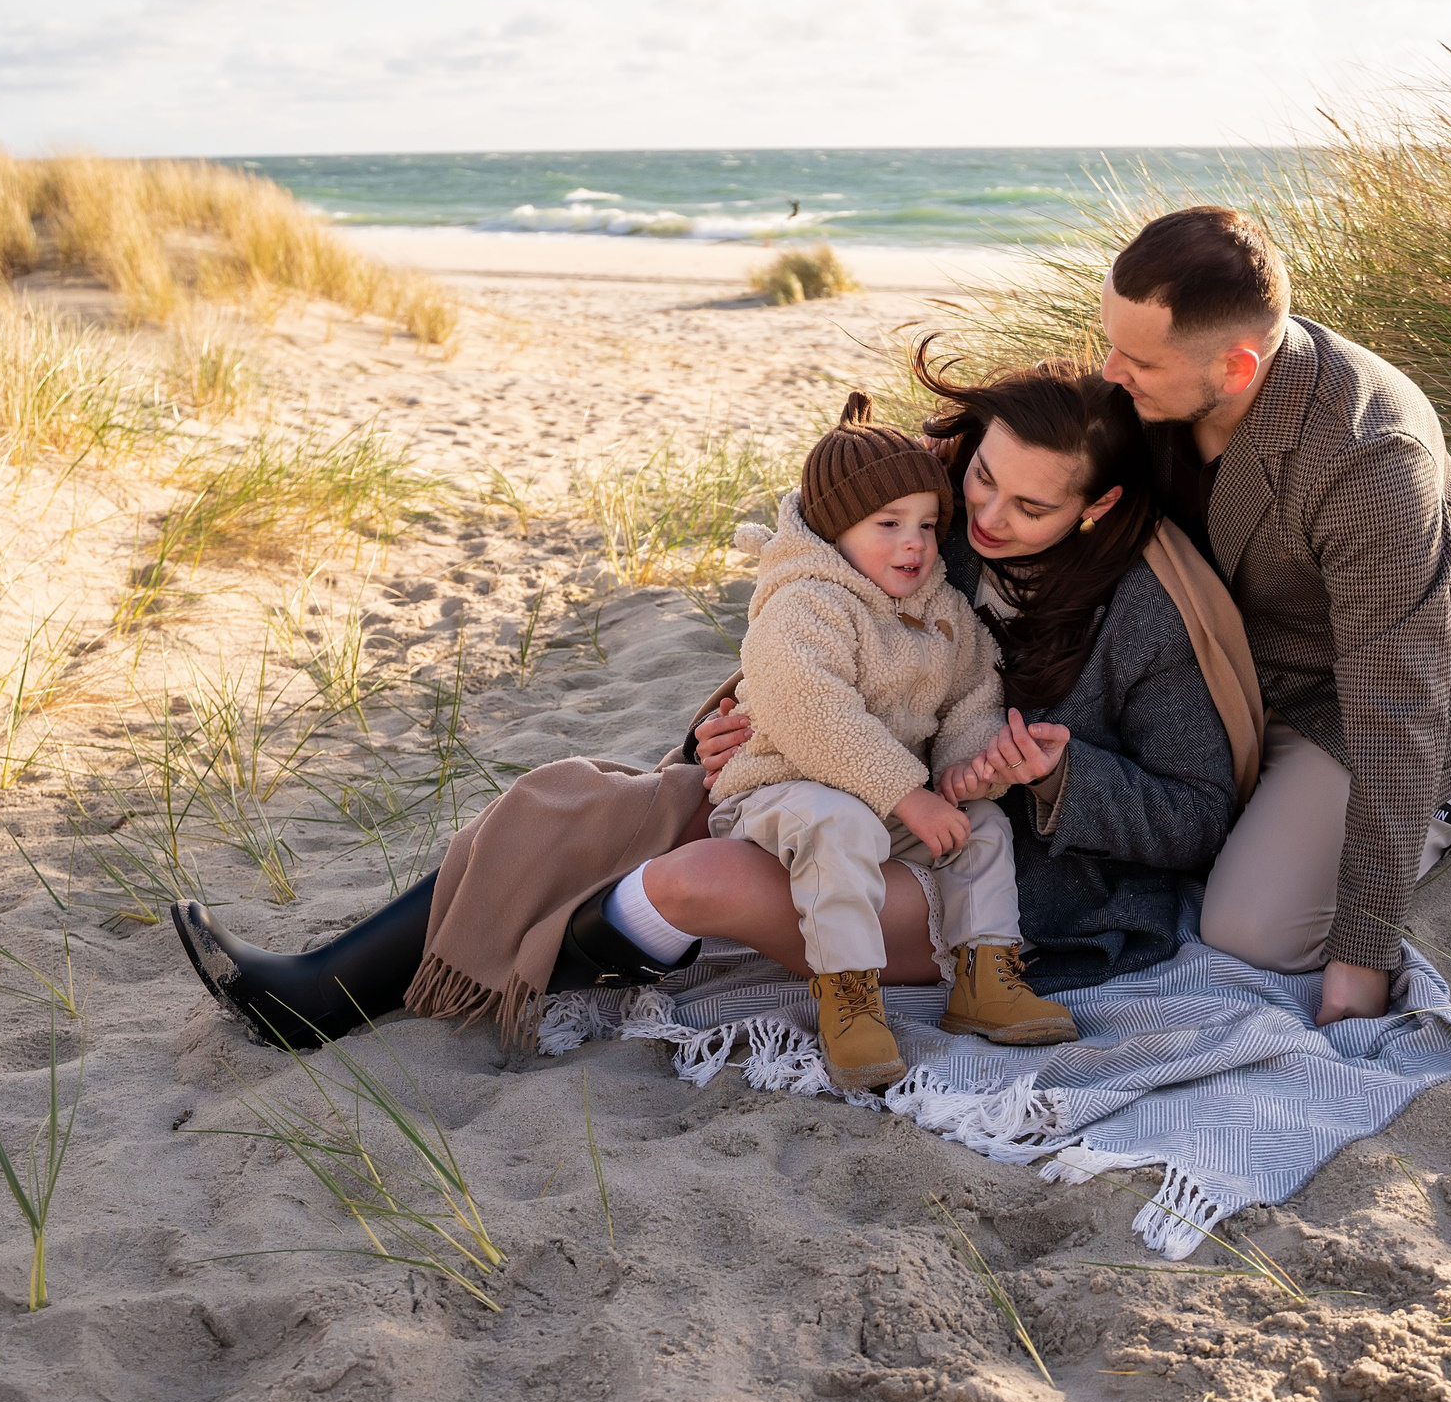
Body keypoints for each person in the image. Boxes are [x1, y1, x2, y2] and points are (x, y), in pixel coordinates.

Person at [169, 360, 1262, 1054]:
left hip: (1001, 881)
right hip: (849, 796)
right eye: (980, 482)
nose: (984, 517)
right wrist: (712, 732)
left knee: (689, 878)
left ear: (1098, 506)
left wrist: (1058, 776)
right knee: (574, 799)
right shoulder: (933, 528)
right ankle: (322, 988)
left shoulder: (1147, 616)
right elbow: (809, 645)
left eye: (1030, 507)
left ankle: (557, 961)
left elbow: (1198, 815)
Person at [1097, 206, 1451, 1027]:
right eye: (1107, 340)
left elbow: (1397, 703)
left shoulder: (1371, 455)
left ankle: (1449, 805)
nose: (1109, 371)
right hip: (1231, 664)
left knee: (1249, 929)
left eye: (1137, 358)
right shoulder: (1164, 383)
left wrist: (1362, 950)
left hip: (1360, 695)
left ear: (1238, 366)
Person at [693, 392, 1074, 1092]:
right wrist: (909, 795)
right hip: (781, 790)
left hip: (889, 802)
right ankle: (848, 996)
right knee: (835, 825)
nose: (915, 544)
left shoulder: (941, 609)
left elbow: (971, 695)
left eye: (928, 524)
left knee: (983, 827)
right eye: (889, 524)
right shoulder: (805, 601)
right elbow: (813, 711)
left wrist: (965, 772)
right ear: (837, 530)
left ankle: (984, 976)